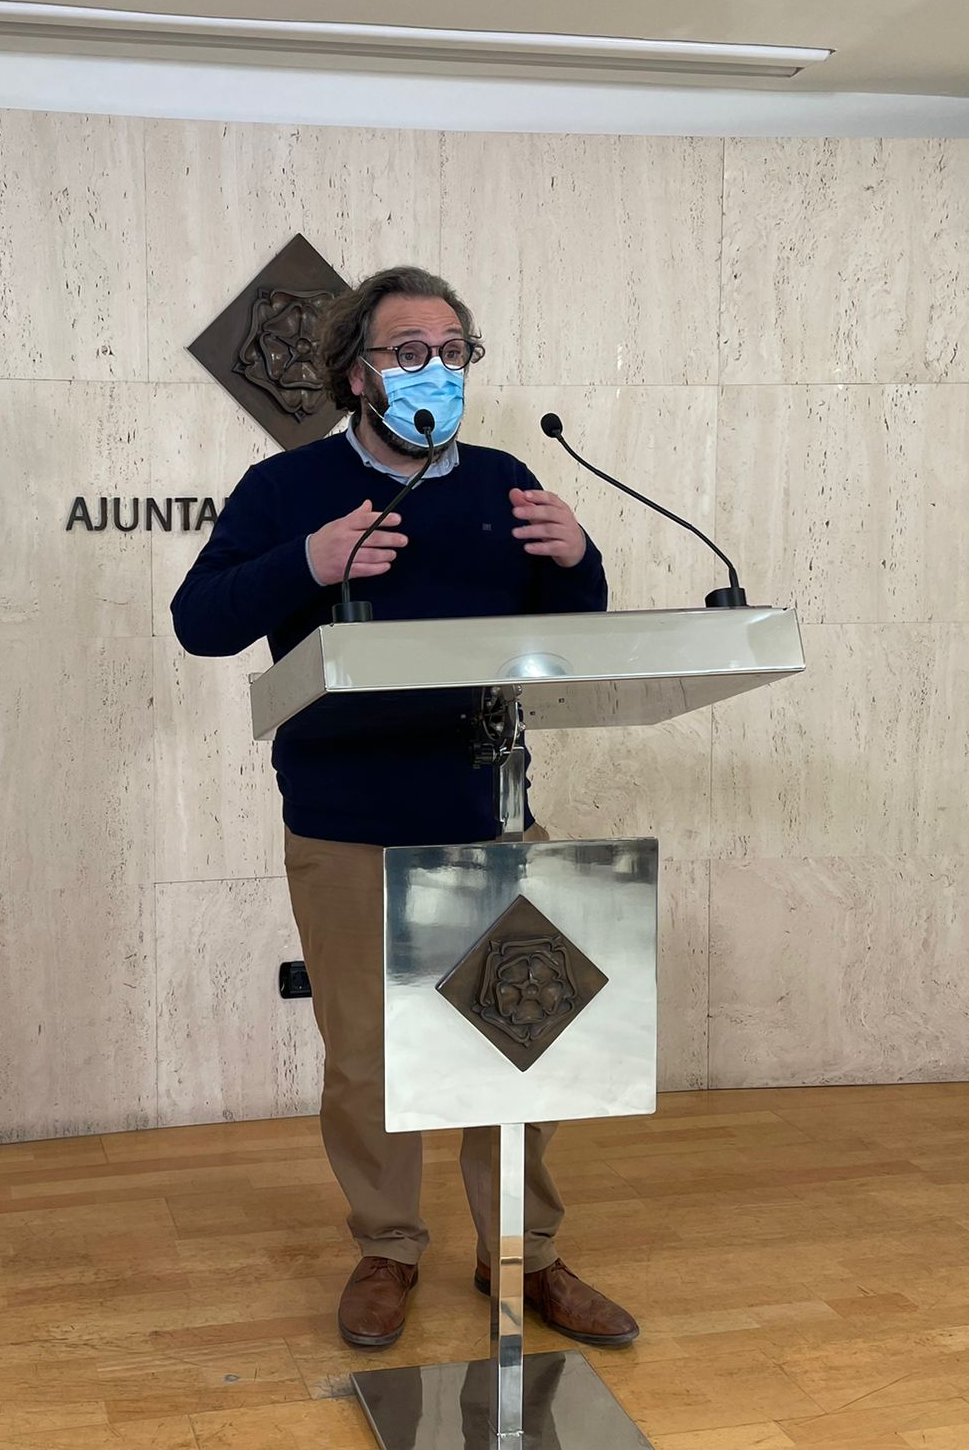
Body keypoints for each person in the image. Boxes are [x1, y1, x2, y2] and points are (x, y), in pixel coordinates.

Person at [170, 266, 640, 1352]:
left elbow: (568, 636)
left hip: (489, 810)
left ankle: (521, 1253)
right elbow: (200, 621)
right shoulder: (284, 489)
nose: (435, 370)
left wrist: (580, 563)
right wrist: (308, 561)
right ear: (357, 374)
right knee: (366, 1059)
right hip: (345, 822)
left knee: (522, 1042)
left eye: (452, 351)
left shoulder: (506, 480)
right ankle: (387, 1246)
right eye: (408, 351)